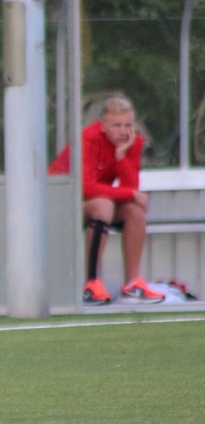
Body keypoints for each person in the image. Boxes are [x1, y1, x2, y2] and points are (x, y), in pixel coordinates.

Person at [48, 97, 161, 305]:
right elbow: (86, 188)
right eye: (116, 125)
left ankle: (131, 285)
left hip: (93, 204)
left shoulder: (133, 142)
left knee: (135, 212)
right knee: (103, 205)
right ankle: (91, 285)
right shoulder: (88, 139)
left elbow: (130, 186)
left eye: (128, 125)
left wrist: (120, 157)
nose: (123, 131)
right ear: (103, 125)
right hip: (58, 203)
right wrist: (131, 195)